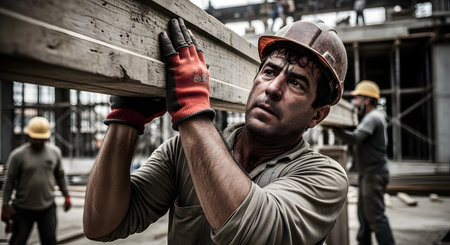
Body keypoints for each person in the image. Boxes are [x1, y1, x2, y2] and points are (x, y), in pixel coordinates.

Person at [83, 18, 349, 244]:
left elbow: (249, 231)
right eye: (269, 71)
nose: (273, 88)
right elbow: (101, 224)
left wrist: (192, 111)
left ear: (317, 114)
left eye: (296, 83)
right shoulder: (183, 151)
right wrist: (126, 120)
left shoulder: (323, 177)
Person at [333, 80, 395, 245]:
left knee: (375, 217)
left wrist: (334, 127)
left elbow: (355, 138)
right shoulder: (369, 117)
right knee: (364, 216)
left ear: (367, 100)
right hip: (368, 174)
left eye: (358, 98)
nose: (355, 102)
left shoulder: (373, 117)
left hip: (374, 174)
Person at [1, 116, 72, 245]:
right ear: (29, 136)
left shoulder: (55, 152)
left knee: (49, 241)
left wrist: (66, 195)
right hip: (22, 209)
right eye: (36, 138)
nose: (39, 141)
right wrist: (5, 205)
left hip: (47, 208)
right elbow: (9, 181)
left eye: (42, 139)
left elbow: (60, 175)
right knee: (18, 241)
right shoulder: (18, 155)